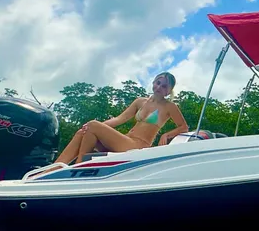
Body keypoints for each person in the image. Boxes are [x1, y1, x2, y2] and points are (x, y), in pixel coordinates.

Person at [55, 71, 189, 165]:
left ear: (169, 90)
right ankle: (54, 168)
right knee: (83, 131)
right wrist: (93, 126)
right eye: (158, 83)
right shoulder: (140, 101)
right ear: (153, 82)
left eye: (164, 86)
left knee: (93, 125)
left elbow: (184, 127)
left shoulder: (169, 106)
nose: (159, 87)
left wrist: (166, 134)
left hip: (138, 146)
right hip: (125, 140)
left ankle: (78, 166)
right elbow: (119, 119)